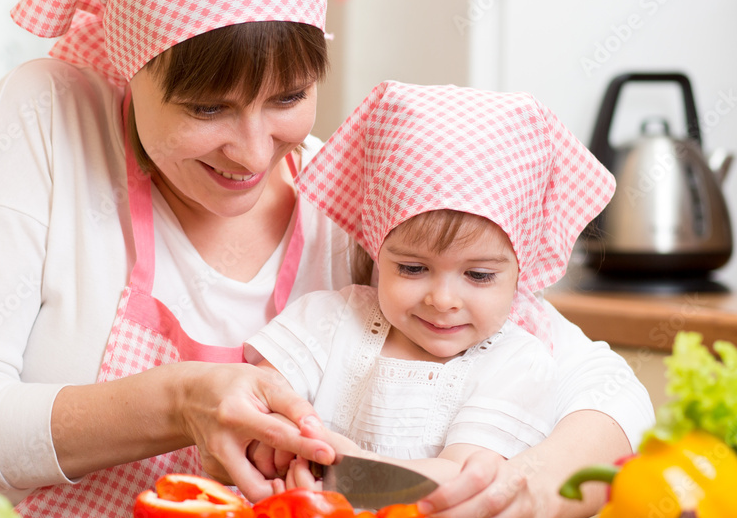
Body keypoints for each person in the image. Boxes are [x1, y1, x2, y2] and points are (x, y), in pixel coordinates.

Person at [0, 0, 654, 518]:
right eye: (207, 107)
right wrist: (178, 402)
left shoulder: (352, 199)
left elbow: (610, 391)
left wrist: (533, 493)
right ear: (133, 71)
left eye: (288, 98)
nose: (254, 150)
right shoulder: (49, 121)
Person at [245, 81, 616, 493]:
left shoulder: (517, 365)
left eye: (478, 276)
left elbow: (462, 478)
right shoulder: (331, 319)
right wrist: (277, 434)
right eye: (412, 268)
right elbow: (261, 394)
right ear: (376, 248)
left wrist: (343, 463)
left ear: (520, 271)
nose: (441, 300)